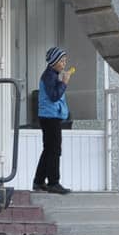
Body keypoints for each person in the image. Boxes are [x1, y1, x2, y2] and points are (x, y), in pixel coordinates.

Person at [33, 46, 72, 194]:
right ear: (54, 61)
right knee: (54, 150)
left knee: (48, 149)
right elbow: (54, 96)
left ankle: (39, 181)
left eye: (65, 60)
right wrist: (64, 82)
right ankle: (53, 183)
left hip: (49, 117)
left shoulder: (52, 75)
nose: (64, 63)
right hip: (50, 118)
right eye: (61, 60)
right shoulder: (49, 76)